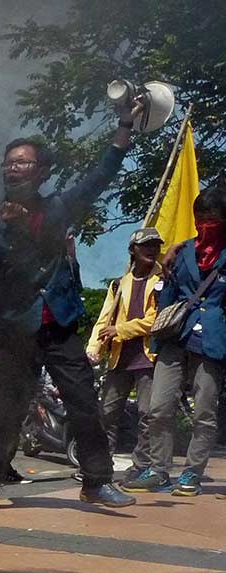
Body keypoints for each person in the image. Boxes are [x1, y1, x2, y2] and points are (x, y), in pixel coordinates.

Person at [0, 97, 144, 512]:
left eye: (23, 162)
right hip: (14, 327)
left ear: (42, 172)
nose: (14, 168)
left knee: (83, 402)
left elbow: (100, 176)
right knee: (2, 410)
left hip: (58, 322)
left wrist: (124, 127)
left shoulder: (59, 207)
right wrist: (9, 231)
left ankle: (97, 482)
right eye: (9, 163)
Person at [128, 189, 226, 497]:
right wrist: (156, 343)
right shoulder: (182, 253)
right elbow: (169, 295)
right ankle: (158, 470)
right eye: (202, 219)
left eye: (214, 220)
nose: (207, 225)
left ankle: (192, 474)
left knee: (204, 413)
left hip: (212, 342)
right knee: (158, 407)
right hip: (176, 337)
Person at [86, 228, 163, 485]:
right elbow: (104, 319)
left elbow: (156, 320)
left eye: (155, 245)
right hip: (119, 358)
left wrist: (120, 330)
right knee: (107, 412)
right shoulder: (119, 284)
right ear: (133, 250)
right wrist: (94, 347)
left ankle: (141, 466)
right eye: (146, 246)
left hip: (149, 357)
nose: (152, 250)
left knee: (147, 414)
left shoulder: (163, 281)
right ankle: (101, 465)